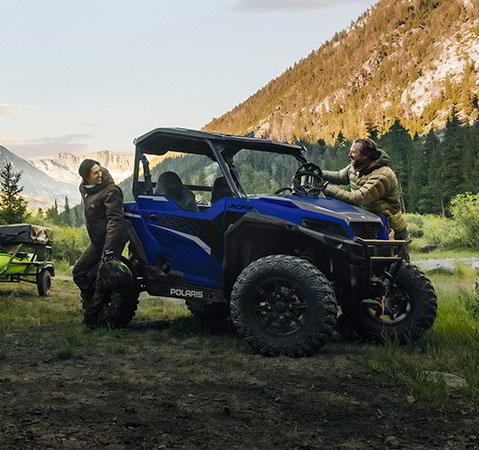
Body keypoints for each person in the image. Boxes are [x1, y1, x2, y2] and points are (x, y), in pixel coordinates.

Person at [72, 159, 127, 329]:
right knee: (79, 272)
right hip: (97, 243)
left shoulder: (111, 191)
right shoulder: (88, 191)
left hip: (111, 242)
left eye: (100, 171)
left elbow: (115, 221)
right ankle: (95, 307)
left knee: (102, 278)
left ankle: (92, 320)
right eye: (95, 173)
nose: (100, 175)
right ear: (86, 177)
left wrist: (109, 250)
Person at [322, 138, 409, 240]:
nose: (349, 155)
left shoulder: (382, 175)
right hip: (369, 223)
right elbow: (339, 176)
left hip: (388, 229)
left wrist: (326, 188)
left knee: (383, 255)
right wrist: (318, 172)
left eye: (353, 152)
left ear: (365, 155)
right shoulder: (356, 167)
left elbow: (358, 198)